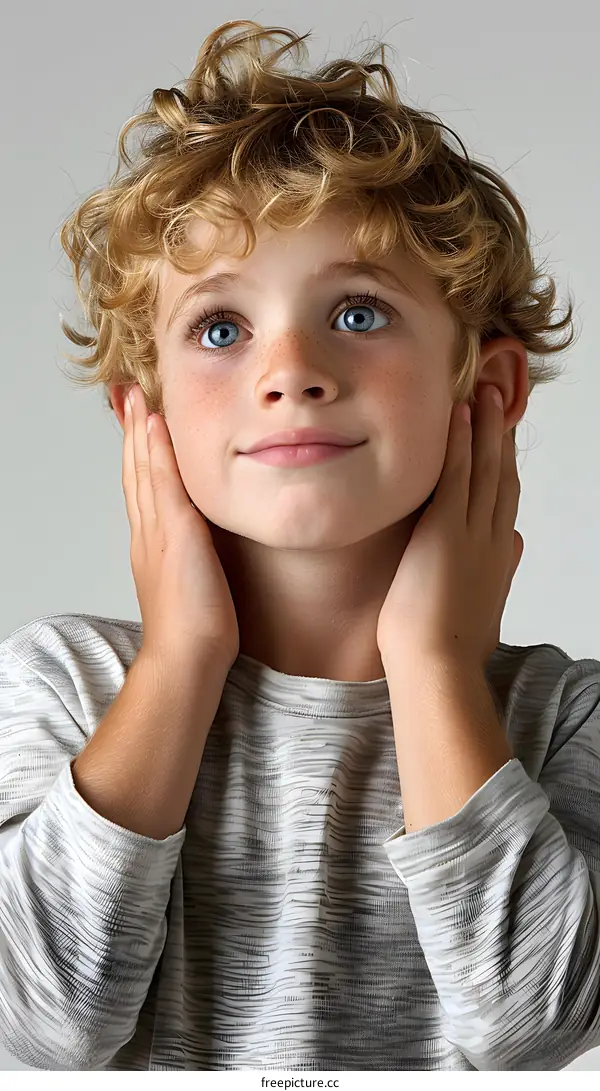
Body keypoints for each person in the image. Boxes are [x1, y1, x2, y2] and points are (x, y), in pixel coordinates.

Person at [0, 18, 598, 1073]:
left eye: (358, 313)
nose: (290, 370)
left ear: (488, 389)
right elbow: (45, 1022)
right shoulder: (60, 689)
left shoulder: (565, 721)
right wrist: (182, 652)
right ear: (146, 414)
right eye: (221, 329)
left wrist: (431, 661)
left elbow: (530, 1025)